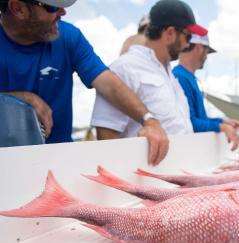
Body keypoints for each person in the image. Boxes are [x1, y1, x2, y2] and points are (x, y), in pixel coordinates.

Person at [0, 0, 168, 165]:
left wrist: (148, 119)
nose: (63, 12)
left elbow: (107, 82)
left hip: (60, 160)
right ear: (18, 8)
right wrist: (20, 101)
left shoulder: (68, 37)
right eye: (53, 7)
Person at [91, 0, 208, 139]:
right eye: (187, 36)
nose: (188, 44)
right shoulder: (127, 67)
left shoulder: (169, 75)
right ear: (170, 33)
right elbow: (106, 134)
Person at [173, 33, 239, 150]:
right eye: (206, 51)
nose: (206, 57)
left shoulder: (186, 77)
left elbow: (199, 119)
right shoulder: (180, 77)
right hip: (186, 151)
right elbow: (189, 124)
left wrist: (224, 122)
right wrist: (222, 127)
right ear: (199, 48)